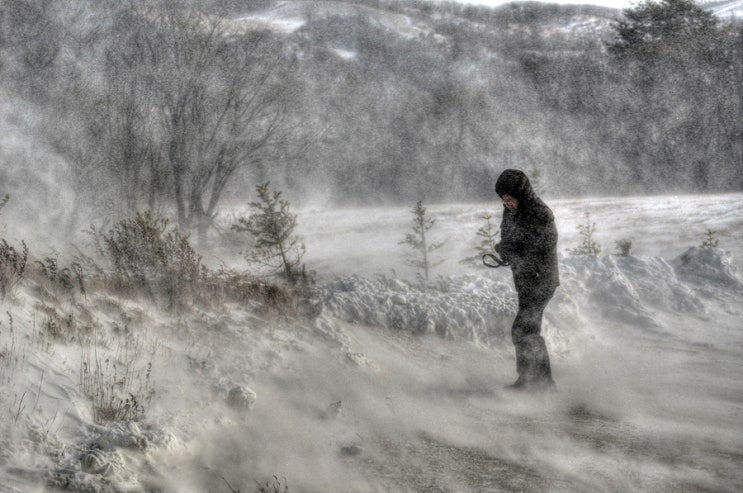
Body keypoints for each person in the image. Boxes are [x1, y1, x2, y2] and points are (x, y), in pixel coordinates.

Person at [494, 169, 559, 391]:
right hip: (526, 281)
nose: (507, 203)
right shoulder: (511, 211)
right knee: (526, 330)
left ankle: (541, 382)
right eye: (503, 199)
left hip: (542, 280)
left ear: (520, 194)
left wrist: (515, 254)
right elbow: (509, 237)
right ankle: (530, 380)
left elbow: (541, 248)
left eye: (510, 198)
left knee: (524, 330)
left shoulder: (541, 213)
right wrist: (504, 249)